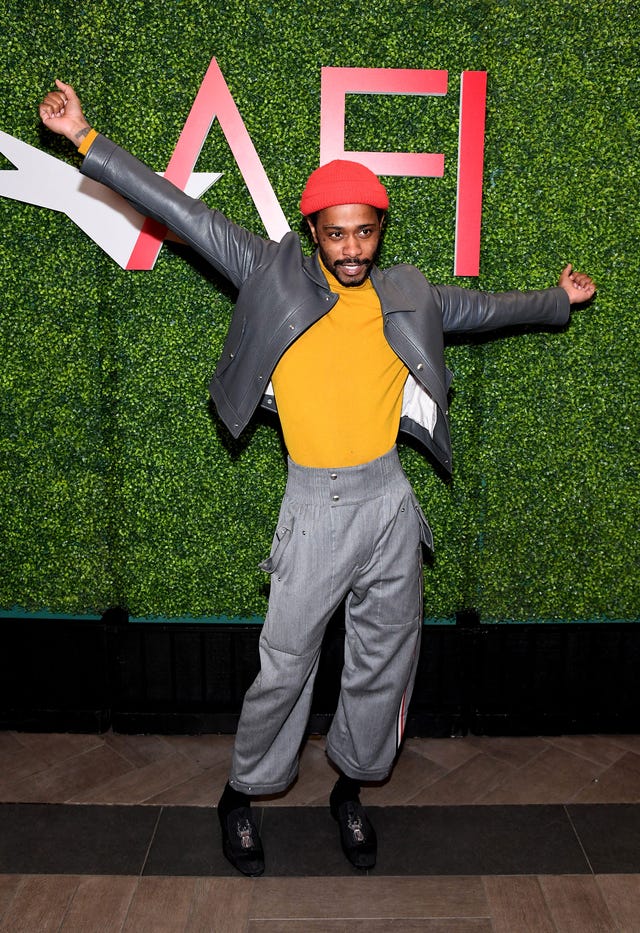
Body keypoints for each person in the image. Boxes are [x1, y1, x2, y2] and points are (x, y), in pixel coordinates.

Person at [39, 79, 596, 877]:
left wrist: (556, 301)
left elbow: (480, 308)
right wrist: (85, 139)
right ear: (312, 231)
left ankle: (352, 787)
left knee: (384, 658)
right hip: (314, 505)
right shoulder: (271, 275)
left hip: (390, 504)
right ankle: (243, 791)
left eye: (365, 233)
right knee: (287, 662)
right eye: (337, 235)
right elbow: (185, 215)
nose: (352, 250)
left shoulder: (404, 291)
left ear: (380, 230)